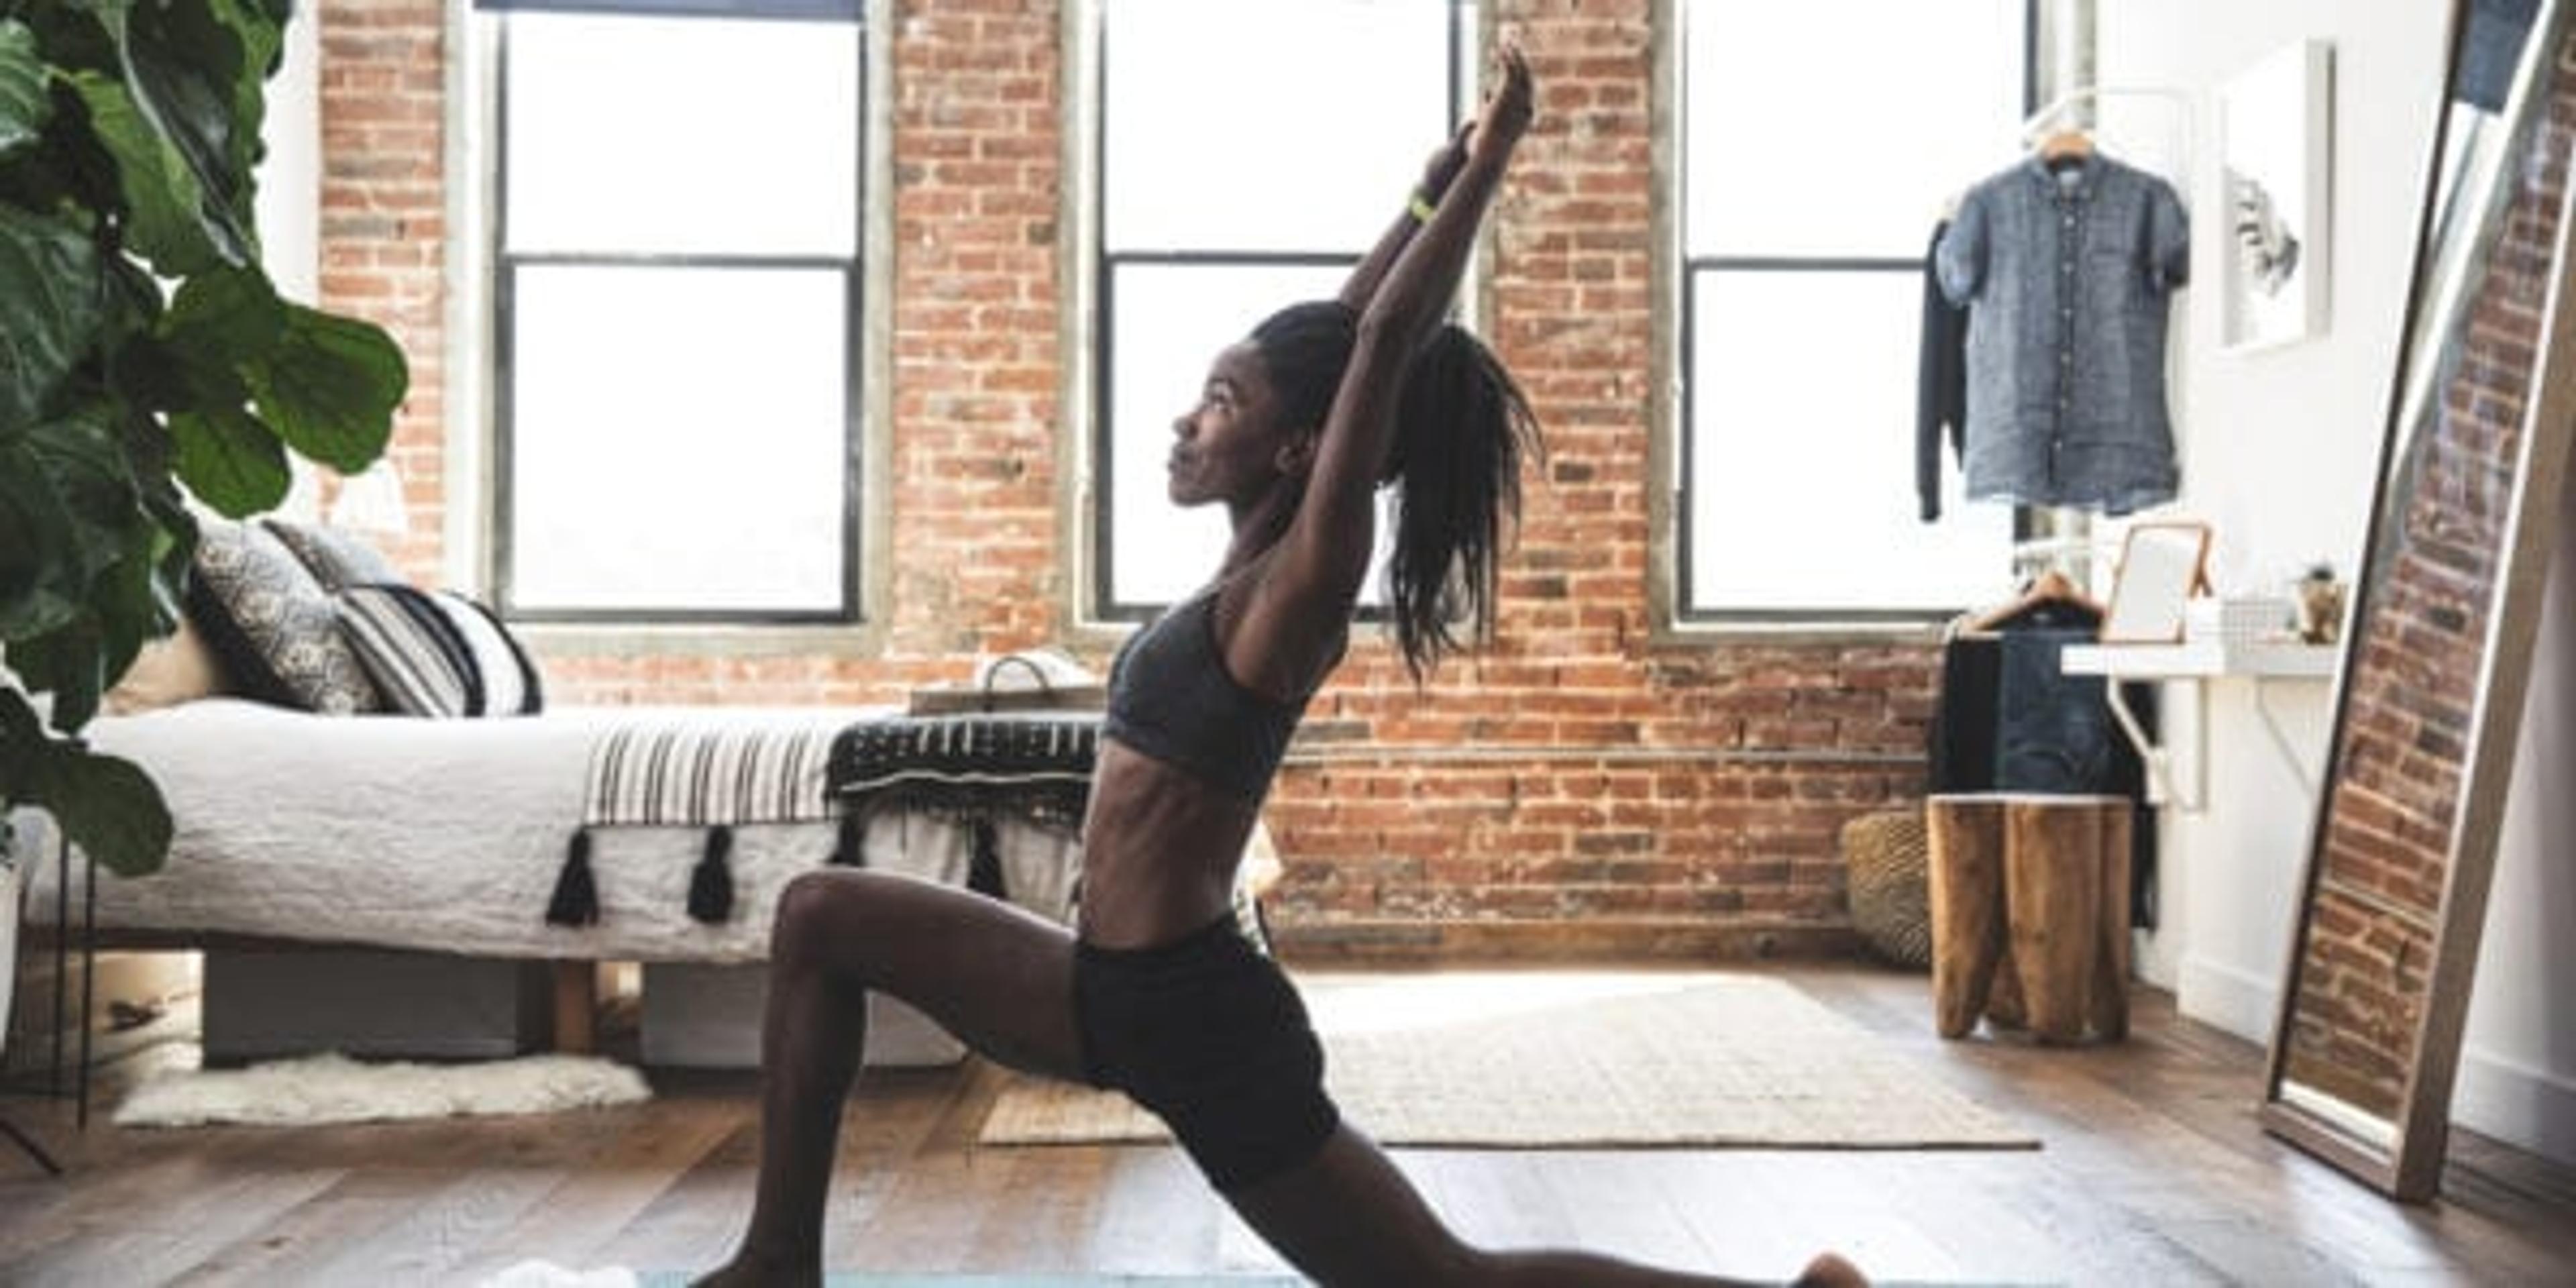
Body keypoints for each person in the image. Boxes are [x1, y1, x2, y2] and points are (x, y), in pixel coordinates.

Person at [698, 46, 1866, 1288]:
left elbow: (1382, 346)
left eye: (1219, 401)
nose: (1186, 421)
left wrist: (1494, 163)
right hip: (1107, 985)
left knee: (1440, 1283)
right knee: (819, 916)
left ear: (1300, 450)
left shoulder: (1297, 591)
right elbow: (1345, 338)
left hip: (1194, 1017)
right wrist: (1420, 197)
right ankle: (779, 1265)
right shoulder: (1238, 565)